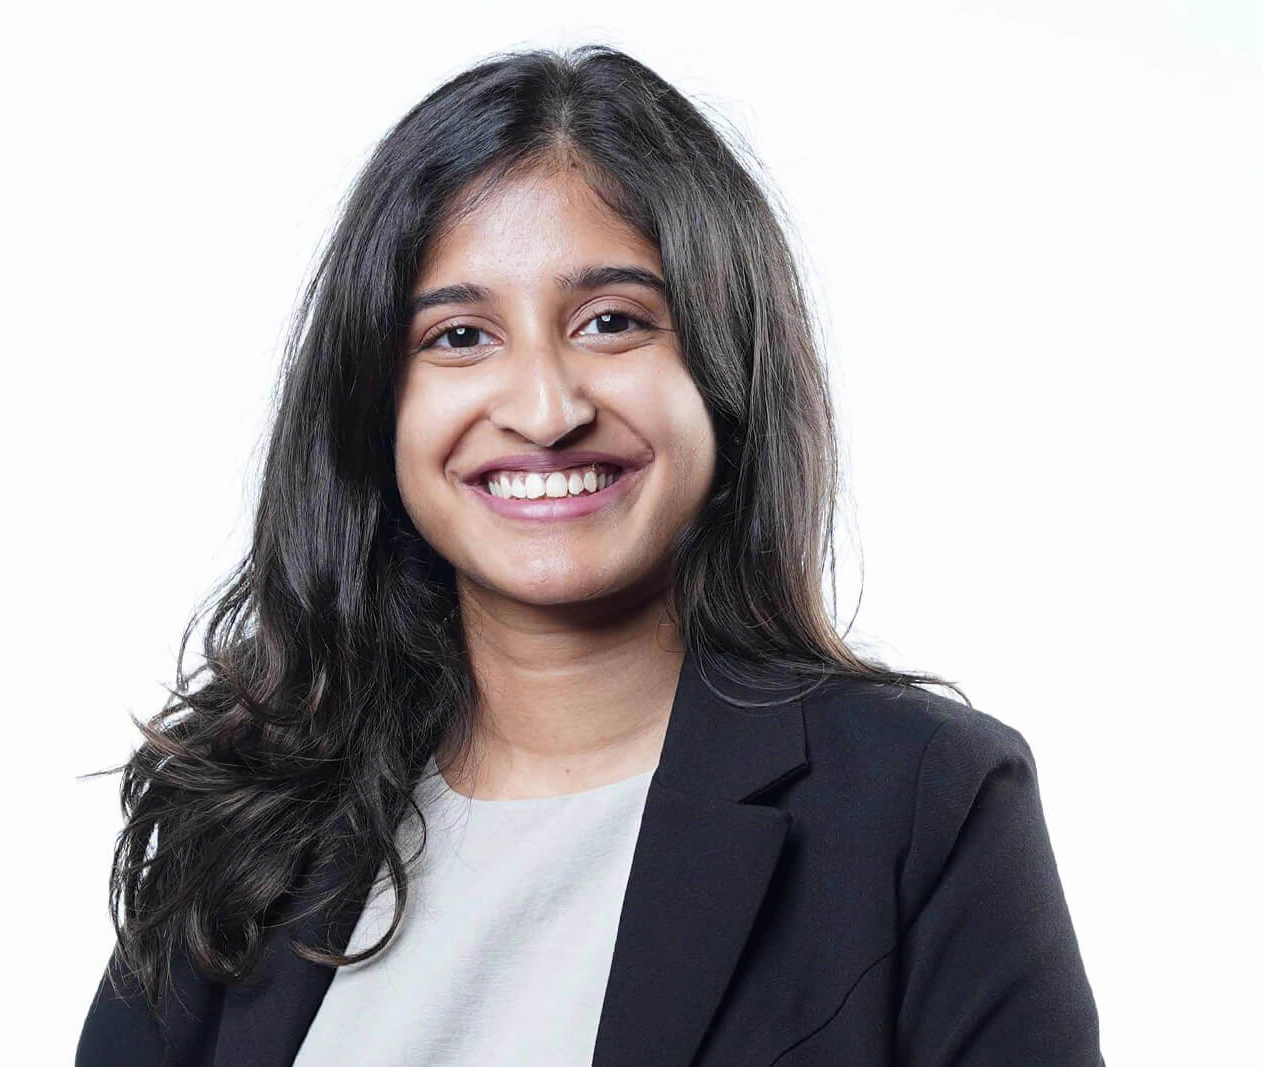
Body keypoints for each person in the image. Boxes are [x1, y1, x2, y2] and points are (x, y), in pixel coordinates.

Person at [76, 43, 1104, 1066]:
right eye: (459, 336)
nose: (545, 409)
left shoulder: (922, 804)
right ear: (374, 403)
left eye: (611, 322)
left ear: (725, 369)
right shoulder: (242, 818)